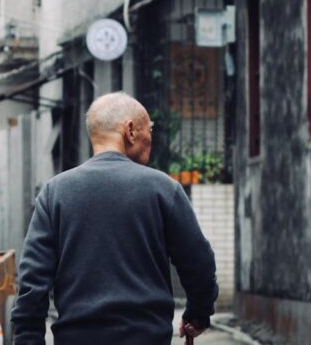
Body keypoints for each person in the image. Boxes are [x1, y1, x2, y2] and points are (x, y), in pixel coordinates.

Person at [11, 92, 218, 345]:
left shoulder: (55, 192)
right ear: (130, 131)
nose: (150, 138)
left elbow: (32, 280)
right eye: (149, 129)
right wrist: (198, 314)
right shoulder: (163, 189)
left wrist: (28, 339)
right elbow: (199, 262)